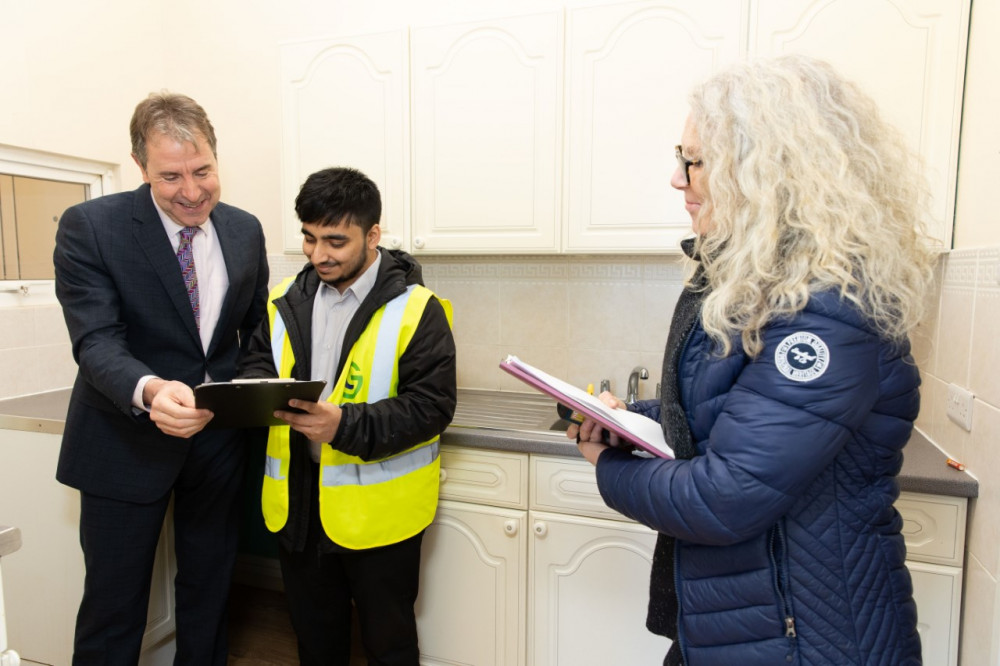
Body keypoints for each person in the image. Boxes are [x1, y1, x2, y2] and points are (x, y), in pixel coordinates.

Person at [568, 54, 935, 666]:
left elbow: (725, 496)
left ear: (767, 171)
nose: (678, 179)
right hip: (741, 618)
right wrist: (631, 418)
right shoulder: (764, 285)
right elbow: (735, 416)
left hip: (807, 637)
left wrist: (607, 463)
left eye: (695, 161)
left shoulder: (831, 310)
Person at [53, 92, 270, 664]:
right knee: (114, 605)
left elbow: (256, 335)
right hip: (122, 442)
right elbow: (96, 341)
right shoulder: (91, 227)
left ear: (217, 159)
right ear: (140, 166)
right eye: (171, 176)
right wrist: (150, 391)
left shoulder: (245, 231)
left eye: (203, 171)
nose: (192, 191)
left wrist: (249, 389)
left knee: (209, 590)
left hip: (217, 443)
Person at [238, 166, 457, 665]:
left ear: (373, 234)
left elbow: (432, 407)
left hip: (380, 518)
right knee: (316, 642)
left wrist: (344, 426)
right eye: (309, 239)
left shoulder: (419, 310)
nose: (319, 255)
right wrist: (251, 394)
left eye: (335, 241)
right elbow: (255, 365)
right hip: (299, 508)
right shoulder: (282, 302)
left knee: (390, 645)